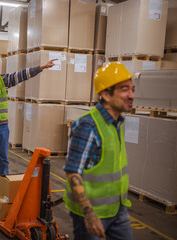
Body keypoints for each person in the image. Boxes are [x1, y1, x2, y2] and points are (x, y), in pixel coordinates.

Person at [0, 55, 57, 200]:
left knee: (3, 160)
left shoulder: (5, 80)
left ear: (0, 68)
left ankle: (3, 189)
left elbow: (22, 74)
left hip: (2, 127)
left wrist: (41, 67)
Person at [63, 62, 135, 240]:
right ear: (106, 94)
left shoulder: (116, 123)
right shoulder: (88, 125)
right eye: (125, 90)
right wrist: (89, 213)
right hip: (90, 212)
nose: (131, 95)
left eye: (132, 89)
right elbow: (73, 172)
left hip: (118, 209)